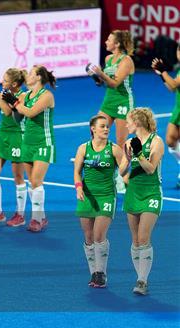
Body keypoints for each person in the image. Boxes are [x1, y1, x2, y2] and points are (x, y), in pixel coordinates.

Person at [2, 65, 56, 232]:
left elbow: (31, 113)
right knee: (32, 182)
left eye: (31, 73)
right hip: (27, 143)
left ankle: (36, 219)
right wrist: (12, 105)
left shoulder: (46, 96)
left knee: (37, 181)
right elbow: (18, 118)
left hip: (43, 143)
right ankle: (42, 216)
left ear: (38, 77)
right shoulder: (26, 95)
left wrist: (16, 102)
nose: (28, 76)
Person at [119, 108, 164, 296]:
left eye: (128, 121)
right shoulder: (128, 142)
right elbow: (121, 172)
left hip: (151, 194)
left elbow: (150, 169)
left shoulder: (157, 141)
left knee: (144, 238)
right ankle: (140, 275)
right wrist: (128, 158)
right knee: (136, 240)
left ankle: (142, 280)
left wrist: (139, 154)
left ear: (136, 123)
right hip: (133, 193)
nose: (126, 124)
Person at [73, 115, 123, 288]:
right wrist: (78, 187)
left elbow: (124, 170)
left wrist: (129, 160)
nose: (106, 129)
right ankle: (93, 272)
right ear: (93, 129)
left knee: (98, 236)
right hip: (87, 195)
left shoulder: (115, 149)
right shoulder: (83, 148)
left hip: (107, 196)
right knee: (88, 237)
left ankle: (101, 273)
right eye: (102, 126)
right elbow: (77, 172)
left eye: (107, 126)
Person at [88, 30, 135, 193]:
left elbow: (115, 83)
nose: (106, 42)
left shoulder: (126, 61)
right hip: (109, 101)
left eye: (109, 39)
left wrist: (101, 73)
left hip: (123, 102)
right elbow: (106, 83)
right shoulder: (108, 59)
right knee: (97, 131)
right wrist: (97, 78)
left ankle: (122, 178)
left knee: (121, 142)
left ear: (117, 44)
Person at [0, 68, 27, 227]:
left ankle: (20, 215)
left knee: (18, 177)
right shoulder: (2, 94)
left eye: (5, 80)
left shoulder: (22, 96)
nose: (2, 82)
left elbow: (8, 112)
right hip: (2, 136)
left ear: (14, 83)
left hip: (18, 136)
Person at [151, 43, 180, 188]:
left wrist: (164, 72)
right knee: (170, 140)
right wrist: (162, 76)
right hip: (178, 109)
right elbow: (172, 88)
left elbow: (174, 84)